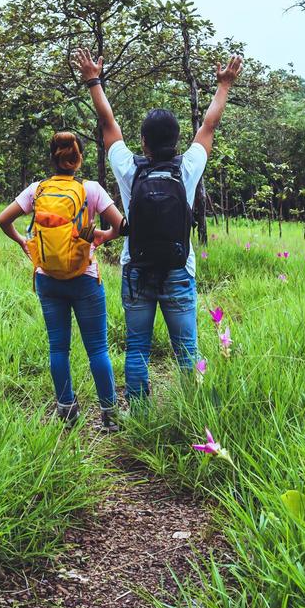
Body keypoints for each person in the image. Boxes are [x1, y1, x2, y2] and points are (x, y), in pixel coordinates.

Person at [73, 47, 242, 401]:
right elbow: (209, 125)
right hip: (180, 270)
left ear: (144, 142)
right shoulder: (189, 166)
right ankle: (191, 410)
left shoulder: (129, 167)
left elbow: (108, 125)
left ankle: (138, 410)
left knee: (136, 348)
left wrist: (93, 80)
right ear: (178, 141)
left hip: (135, 268)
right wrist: (224, 85)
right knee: (187, 350)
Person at [0, 131, 125, 429]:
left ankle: (67, 411)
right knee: (98, 349)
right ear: (78, 158)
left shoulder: (36, 189)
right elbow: (118, 225)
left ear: (52, 157)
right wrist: (100, 238)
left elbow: (3, 220)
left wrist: (24, 243)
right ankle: (110, 416)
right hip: (84, 277)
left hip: (47, 278)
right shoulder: (90, 189)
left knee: (58, 347)